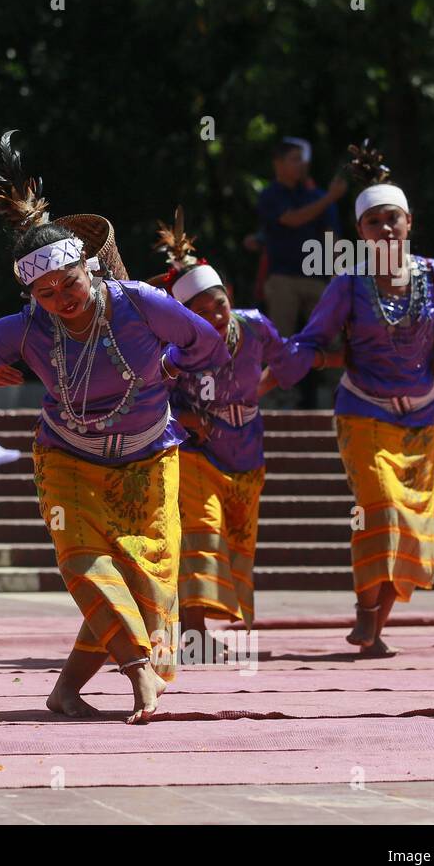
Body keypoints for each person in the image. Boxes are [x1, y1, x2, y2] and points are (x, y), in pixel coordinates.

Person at [0, 128, 229, 722]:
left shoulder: (139, 302)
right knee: (86, 562)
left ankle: (65, 691)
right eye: (47, 292)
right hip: (68, 458)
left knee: (149, 572)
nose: (64, 298)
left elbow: (206, 342)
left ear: (90, 268)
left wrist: (170, 366)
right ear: (32, 294)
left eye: (71, 283)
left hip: (149, 454)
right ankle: (139, 670)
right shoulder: (26, 328)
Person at [271, 140, 434, 656]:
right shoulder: (349, 283)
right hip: (363, 411)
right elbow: (310, 340)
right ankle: (365, 609)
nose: (386, 229)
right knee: (380, 506)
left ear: (409, 223)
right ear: (361, 233)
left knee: (413, 519)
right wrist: (275, 365)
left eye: (393, 219)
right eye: (374, 222)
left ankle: (374, 621)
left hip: (424, 415)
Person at [149, 208, 301, 649]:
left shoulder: (254, 325)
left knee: (238, 536)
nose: (214, 316)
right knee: (202, 531)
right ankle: (194, 633)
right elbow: (149, 394)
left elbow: (288, 358)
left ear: (229, 294)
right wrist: (183, 420)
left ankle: (201, 628)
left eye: (219, 304)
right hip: (198, 449)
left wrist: (258, 388)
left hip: (248, 445)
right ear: (182, 316)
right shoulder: (175, 347)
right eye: (199, 311)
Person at [256, 137, 346, 407]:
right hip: (283, 278)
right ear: (278, 163)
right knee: (279, 340)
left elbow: (331, 237)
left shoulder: (316, 197)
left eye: (302, 159)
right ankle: (276, 398)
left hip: (317, 279)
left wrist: (338, 275)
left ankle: (342, 393)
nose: (301, 165)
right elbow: (292, 219)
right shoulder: (271, 194)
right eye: (294, 159)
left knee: (333, 336)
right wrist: (331, 197)